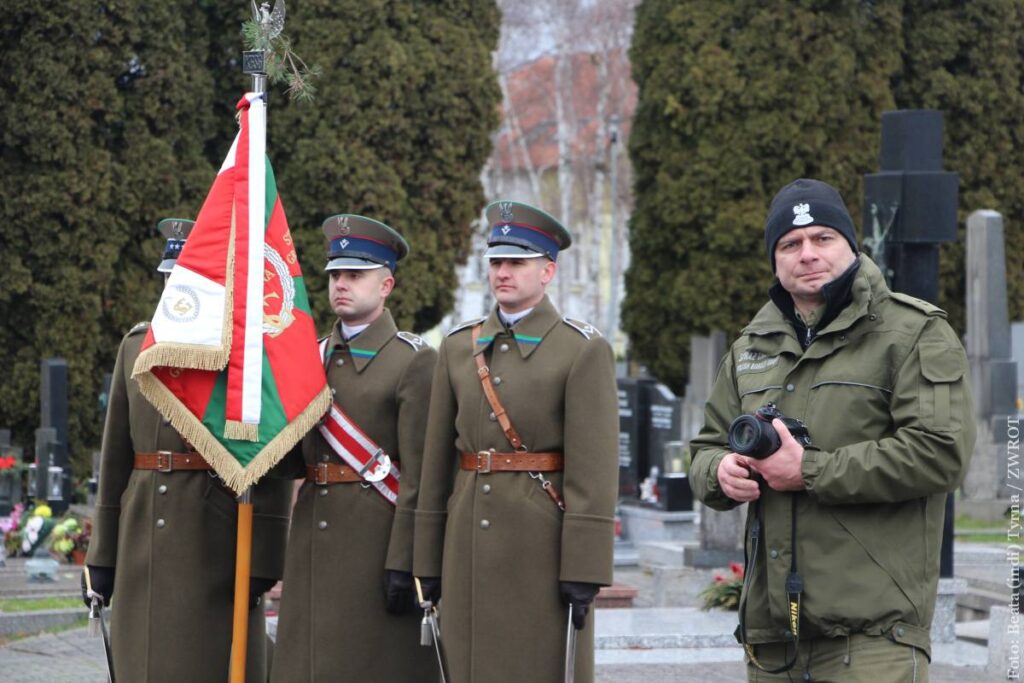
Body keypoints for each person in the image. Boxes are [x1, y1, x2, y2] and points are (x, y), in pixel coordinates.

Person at [688, 178, 976, 680]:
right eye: (790, 244)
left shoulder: (913, 333)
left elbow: (940, 452)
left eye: (823, 238)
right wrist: (722, 471)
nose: (808, 254)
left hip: (873, 636)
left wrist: (811, 470)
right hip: (773, 637)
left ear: (850, 245)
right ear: (775, 260)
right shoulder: (750, 347)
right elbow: (705, 448)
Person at [413, 200, 619, 683]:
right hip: (465, 539)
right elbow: (436, 462)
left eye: (517, 263)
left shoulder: (581, 348)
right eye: (496, 262)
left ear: (548, 270)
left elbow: (594, 466)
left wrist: (585, 567)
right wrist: (427, 558)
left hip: (540, 544)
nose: (503, 273)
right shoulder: (458, 347)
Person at [84, 218, 292, 683]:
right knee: (142, 659)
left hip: (213, 535)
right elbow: (116, 456)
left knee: (209, 660)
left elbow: (271, 462)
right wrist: (102, 557)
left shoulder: (244, 355)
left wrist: (263, 559)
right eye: (168, 277)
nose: (173, 288)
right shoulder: (136, 344)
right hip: (142, 535)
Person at [270, 214, 437, 682]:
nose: (341, 285)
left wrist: (407, 561)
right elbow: (290, 460)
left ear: (386, 285)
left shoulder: (414, 360)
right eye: (336, 275)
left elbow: (422, 476)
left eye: (355, 275)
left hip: (376, 544)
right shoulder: (310, 355)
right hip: (312, 541)